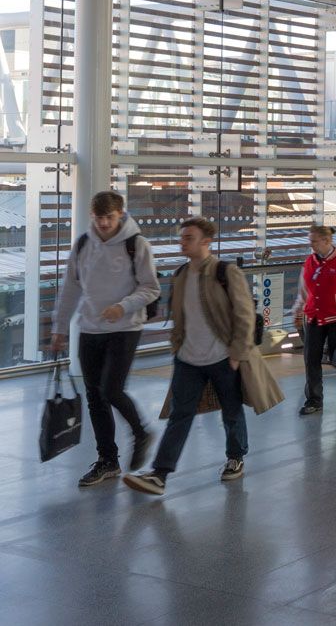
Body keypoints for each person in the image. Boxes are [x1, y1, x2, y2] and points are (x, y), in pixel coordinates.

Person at [124, 218, 255, 496]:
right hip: (187, 359)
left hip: (222, 357)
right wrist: (177, 347)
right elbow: (179, 316)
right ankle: (160, 474)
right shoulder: (181, 273)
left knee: (231, 411)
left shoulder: (226, 272)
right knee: (179, 415)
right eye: (181, 237)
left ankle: (236, 457)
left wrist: (237, 353)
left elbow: (244, 315)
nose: (182, 242)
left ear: (206, 242)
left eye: (189, 238)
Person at [50, 190, 160, 488]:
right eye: (99, 218)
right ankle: (107, 460)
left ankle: (141, 432)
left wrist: (122, 306)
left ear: (120, 214)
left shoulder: (136, 244)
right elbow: (70, 288)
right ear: (92, 216)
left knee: (111, 389)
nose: (104, 223)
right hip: (90, 329)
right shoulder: (83, 244)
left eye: (109, 217)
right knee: (95, 397)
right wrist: (60, 328)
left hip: (125, 328)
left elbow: (151, 288)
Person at [292, 225, 336, 416]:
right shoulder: (309, 262)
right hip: (314, 317)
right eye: (310, 241)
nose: (311, 245)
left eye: (314, 241)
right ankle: (314, 400)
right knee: (311, 359)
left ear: (327, 241)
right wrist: (298, 310)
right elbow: (303, 291)